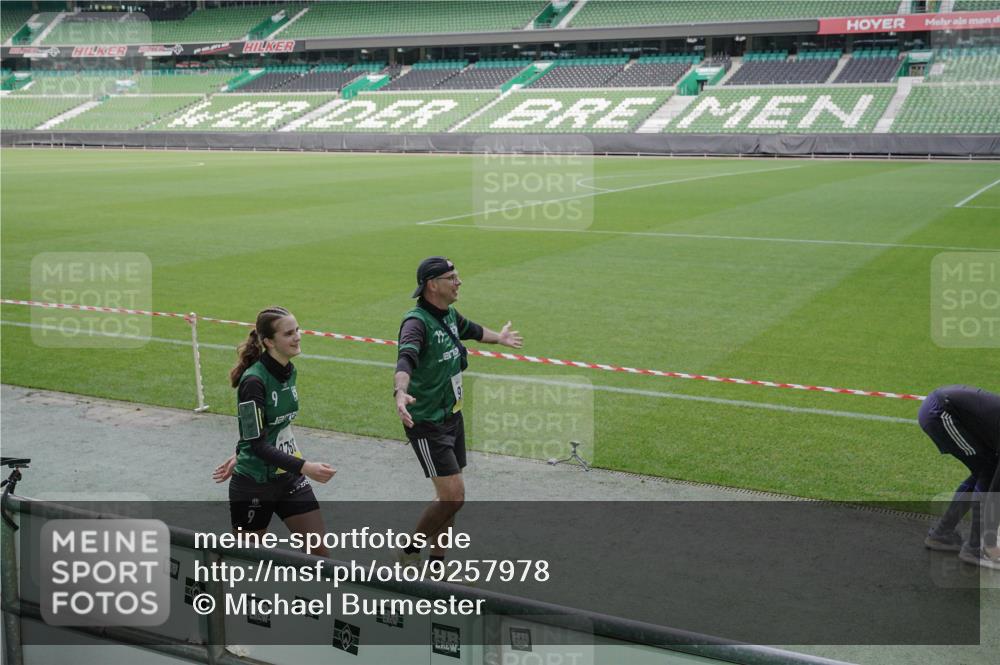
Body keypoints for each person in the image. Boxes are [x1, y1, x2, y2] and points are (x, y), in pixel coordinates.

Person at [393, 257, 523, 567]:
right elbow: (406, 358)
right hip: (427, 422)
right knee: (453, 496)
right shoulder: (416, 323)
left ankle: (437, 567)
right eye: (452, 277)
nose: (458, 282)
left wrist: (499, 338)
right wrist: (400, 391)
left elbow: (472, 330)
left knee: (449, 501)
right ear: (432, 285)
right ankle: (408, 551)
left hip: (452, 416)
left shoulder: (449, 314)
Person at [212, 306, 336, 556]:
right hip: (254, 484)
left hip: (288, 478)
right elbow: (256, 443)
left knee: (319, 553)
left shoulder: (289, 371)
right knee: (245, 560)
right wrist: (306, 467)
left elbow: (273, 426)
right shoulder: (253, 382)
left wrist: (240, 453)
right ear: (269, 341)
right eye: (289, 333)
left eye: (297, 330)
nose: (297, 337)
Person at [918, 384, 1000, 569]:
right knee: (988, 470)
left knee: (986, 467)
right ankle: (975, 547)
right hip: (941, 412)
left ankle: (942, 533)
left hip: (943, 408)